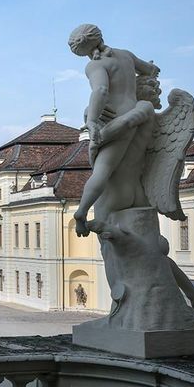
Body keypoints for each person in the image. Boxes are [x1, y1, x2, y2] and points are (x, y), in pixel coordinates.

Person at [69, 24, 160, 237]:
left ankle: (81, 212)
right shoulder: (126, 55)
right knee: (122, 164)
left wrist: (91, 119)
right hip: (135, 113)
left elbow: (100, 90)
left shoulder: (95, 65)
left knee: (103, 168)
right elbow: (150, 71)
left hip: (116, 120)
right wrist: (150, 73)